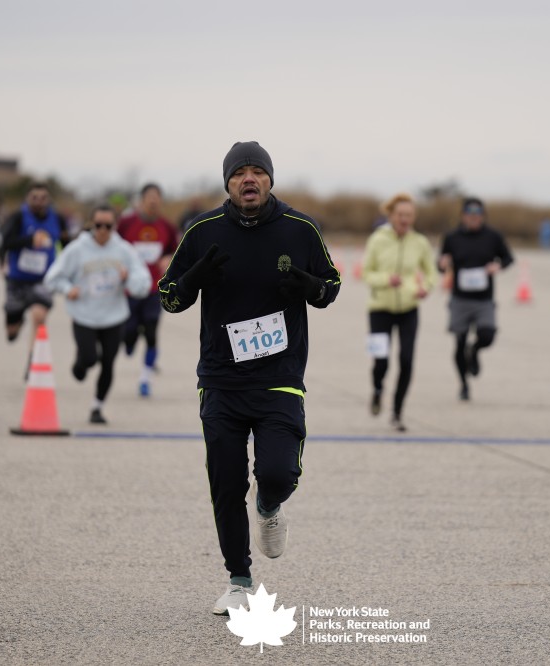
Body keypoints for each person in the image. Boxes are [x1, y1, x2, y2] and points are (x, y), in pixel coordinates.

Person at [158, 141, 341, 616]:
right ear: (228, 183)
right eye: (239, 173)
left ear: (270, 179)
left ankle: (269, 507)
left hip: (279, 377)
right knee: (225, 483)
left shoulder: (300, 228)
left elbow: (332, 286)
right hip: (221, 380)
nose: (249, 179)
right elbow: (169, 298)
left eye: (257, 171)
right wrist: (193, 278)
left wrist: (312, 287)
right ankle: (238, 580)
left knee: (277, 474)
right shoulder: (202, 231)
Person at [44, 205, 151, 424]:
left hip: (114, 316)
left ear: (115, 226)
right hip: (84, 314)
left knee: (108, 363)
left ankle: (97, 407)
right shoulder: (76, 249)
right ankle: (80, 364)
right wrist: (67, 289)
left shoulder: (124, 250)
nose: (103, 230)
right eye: (98, 225)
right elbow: (52, 277)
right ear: (91, 224)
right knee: (89, 358)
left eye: (108, 226)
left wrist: (128, 279)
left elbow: (143, 282)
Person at [362, 193, 438, 431]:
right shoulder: (377, 239)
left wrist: (426, 287)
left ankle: (397, 412)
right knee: (381, 362)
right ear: (391, 216)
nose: (405, 219)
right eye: (400, 215)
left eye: (409, 215)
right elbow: (366, 273)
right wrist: (386, 279)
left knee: (406, 360)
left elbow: (431, 272)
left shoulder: (420, 242)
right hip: (379, 309)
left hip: (408, 309)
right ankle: (377, 390)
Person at [438, 198, 514, 401]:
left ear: (482, 216)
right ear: (463, 216)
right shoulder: (452, 237)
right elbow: (441, 263)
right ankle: (463, 384)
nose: (473, 218)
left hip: (484, 299)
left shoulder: (493, 236)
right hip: (460, 298)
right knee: (459, 343)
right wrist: (442, 264)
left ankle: (475, 350)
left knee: (487, 335)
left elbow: (508, 258)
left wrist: (498, 266)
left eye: (477, 214)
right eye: (469, 214)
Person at [0, 182, 71, 374]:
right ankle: (16, 322)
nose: (39, 202)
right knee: (11, 331)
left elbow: (67, 245)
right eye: (35, 198)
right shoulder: (18, 217)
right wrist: (29, 240)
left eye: (43, 198)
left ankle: (33, 360)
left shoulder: (57, 219)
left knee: (39, 316)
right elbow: (5, 242)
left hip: (44, 278)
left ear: (49, 200)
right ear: (27, 199)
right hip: (17, 278)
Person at [117, 183, 180, 397]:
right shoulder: (126, 223)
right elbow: (113, 247)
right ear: (142, 200)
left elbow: (175, 251)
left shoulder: (167, 227)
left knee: (152, 332)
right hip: (131, 288)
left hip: (155, 288)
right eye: (149, 197)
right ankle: (129, 341)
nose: (153, 201)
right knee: (129, 332)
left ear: (160, 201)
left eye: (157, 197)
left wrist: (168, 258)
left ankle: (145, 379)